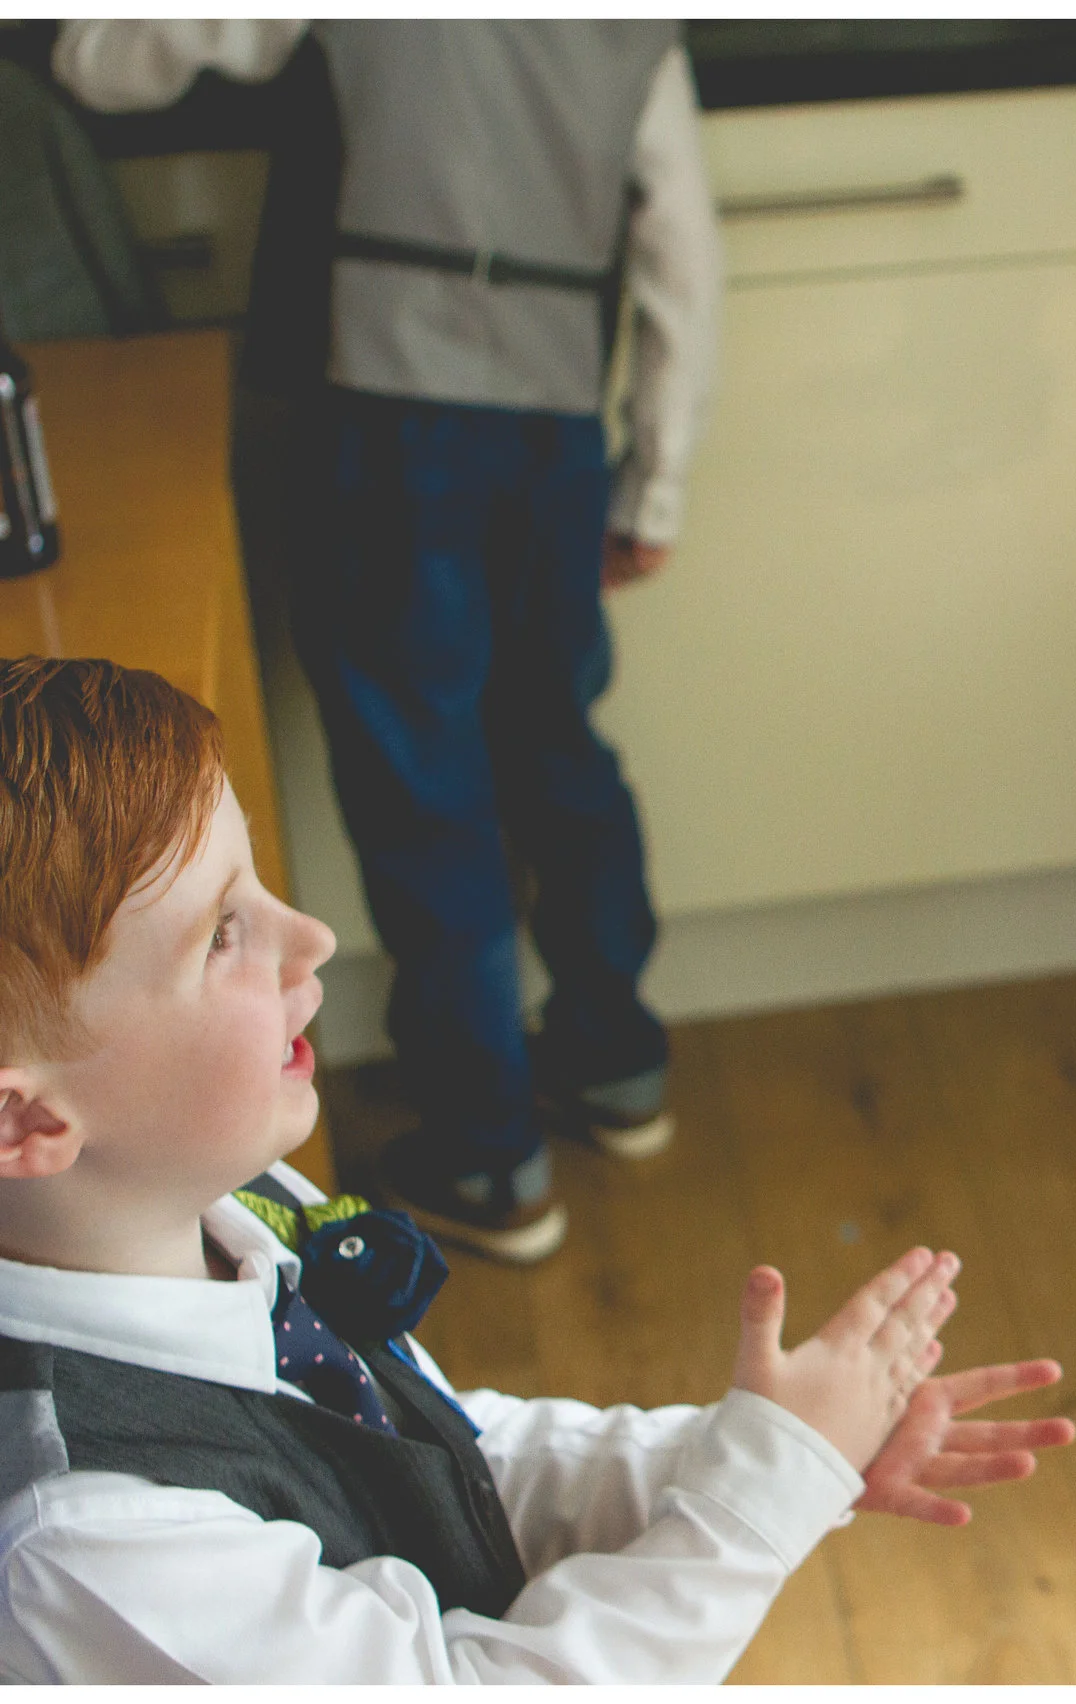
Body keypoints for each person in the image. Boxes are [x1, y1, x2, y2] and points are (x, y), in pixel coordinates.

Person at [0, 655, 1075, 1682]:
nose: (313, 935)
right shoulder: (89, 1543)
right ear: (24, 1121)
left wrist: (772, 1454)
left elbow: (449, 1453)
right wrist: (762, 1492)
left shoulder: (216, 1200)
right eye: (221, 934)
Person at [52, 21, 726, 1262]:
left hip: (393, 419)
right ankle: (612, 1061)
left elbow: (106, 59)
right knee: (556, 746)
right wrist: (658, 485)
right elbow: (684, 252)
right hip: (555, 428)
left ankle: (487, 1149)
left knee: (427, 786)